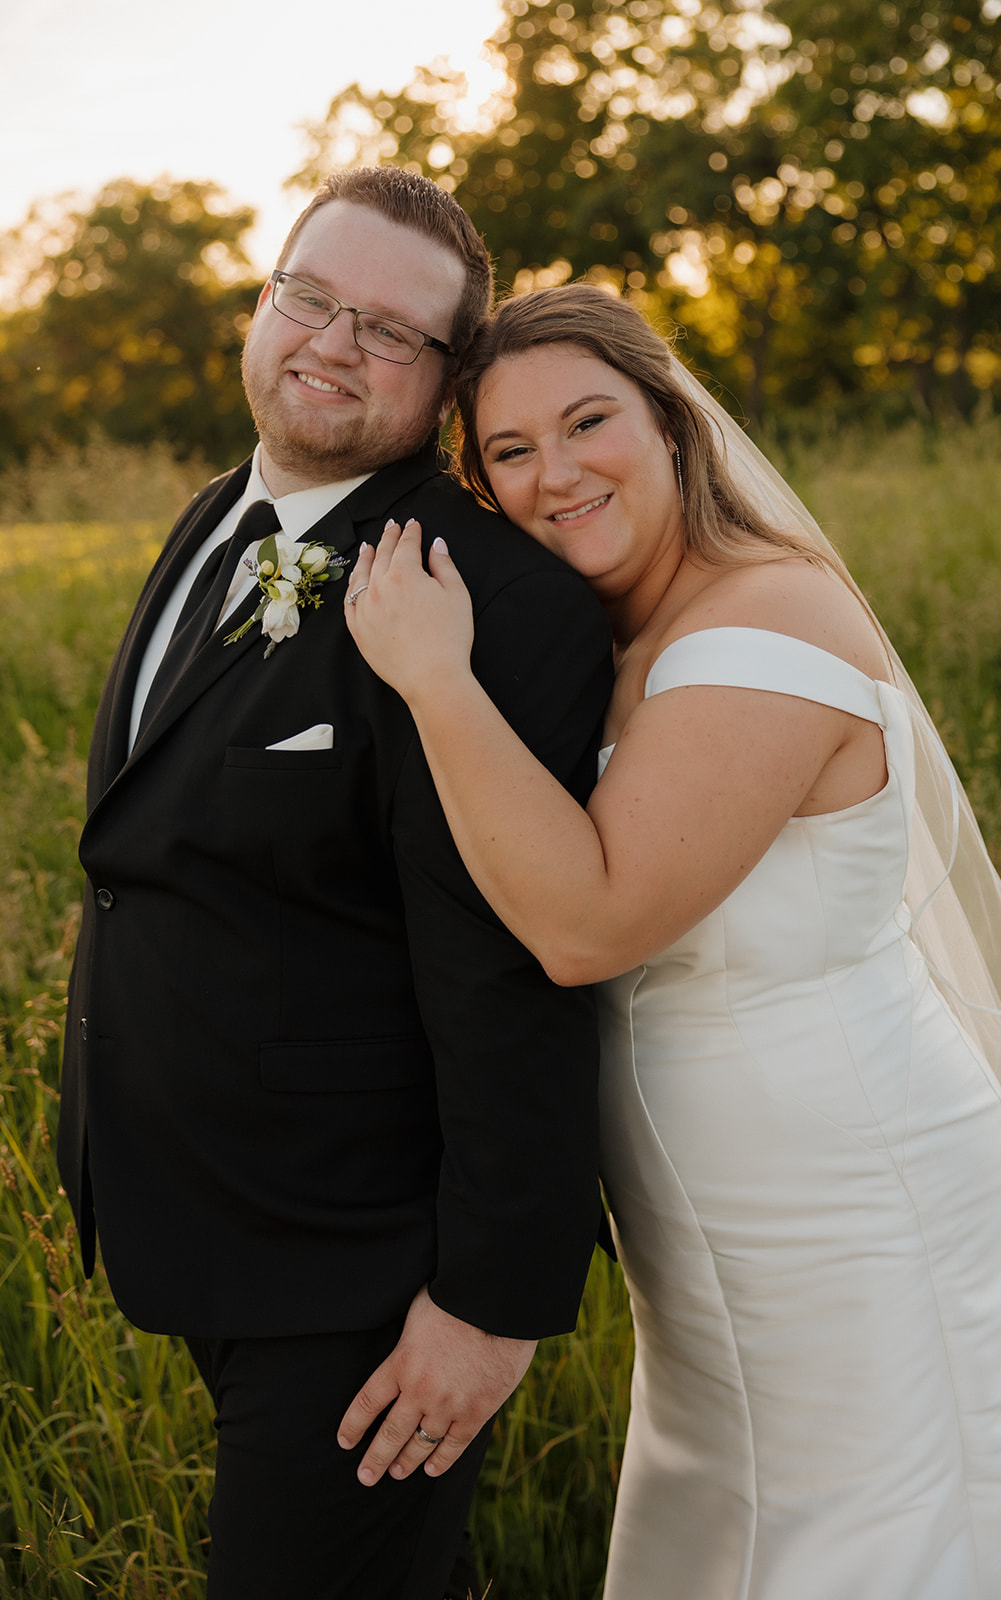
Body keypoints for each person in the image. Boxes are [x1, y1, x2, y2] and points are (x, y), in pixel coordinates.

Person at [344, 282, 1001, 1600]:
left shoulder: (767, 619)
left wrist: (433, 679)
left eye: (588, 422)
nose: (556, 474)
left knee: (892, 1528)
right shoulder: (624, 635)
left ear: (672, 425)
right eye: (510, 452)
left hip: (848, 1196)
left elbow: (590, 923)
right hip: (711, 1224)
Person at [57, 175, 614, 1600]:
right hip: (198, 1223)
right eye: (310, 297)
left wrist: (488, 1309)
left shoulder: (496, 603)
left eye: (389, 328)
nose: (331, 342)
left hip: (364, 1289)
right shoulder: (215, 516)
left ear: (445, 379)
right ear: (265, 299)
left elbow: (523, 968)